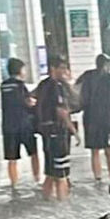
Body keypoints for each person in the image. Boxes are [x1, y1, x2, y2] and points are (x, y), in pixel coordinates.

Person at [77, 54, 110, 185]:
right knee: (109, 150)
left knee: (95, 151)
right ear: (106, 65)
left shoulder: (87, 76)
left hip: (90, 118)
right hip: (106, 120)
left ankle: (98, 177)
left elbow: (78, 94)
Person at [37, 56, 79, 201]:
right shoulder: (57, 86)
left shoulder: (43, 85)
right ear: (53, 69)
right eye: (61, 68)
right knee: (61, 174)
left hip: (46, 133)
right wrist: (73, 131)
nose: (64, 71)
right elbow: (61, 111)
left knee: (50, 173)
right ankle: (63, 208)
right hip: (58, 132)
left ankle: (46, 201)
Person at [0, 58, 40, 189]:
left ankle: (14, 184)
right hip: (24, 125)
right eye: (24, 68)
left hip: (8, 126)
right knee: (33, 153)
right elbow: (27, 102)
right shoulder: (20, 85)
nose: (25, 71)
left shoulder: (4, 85)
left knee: (12, 158)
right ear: (19, 70)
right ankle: (37, 179)